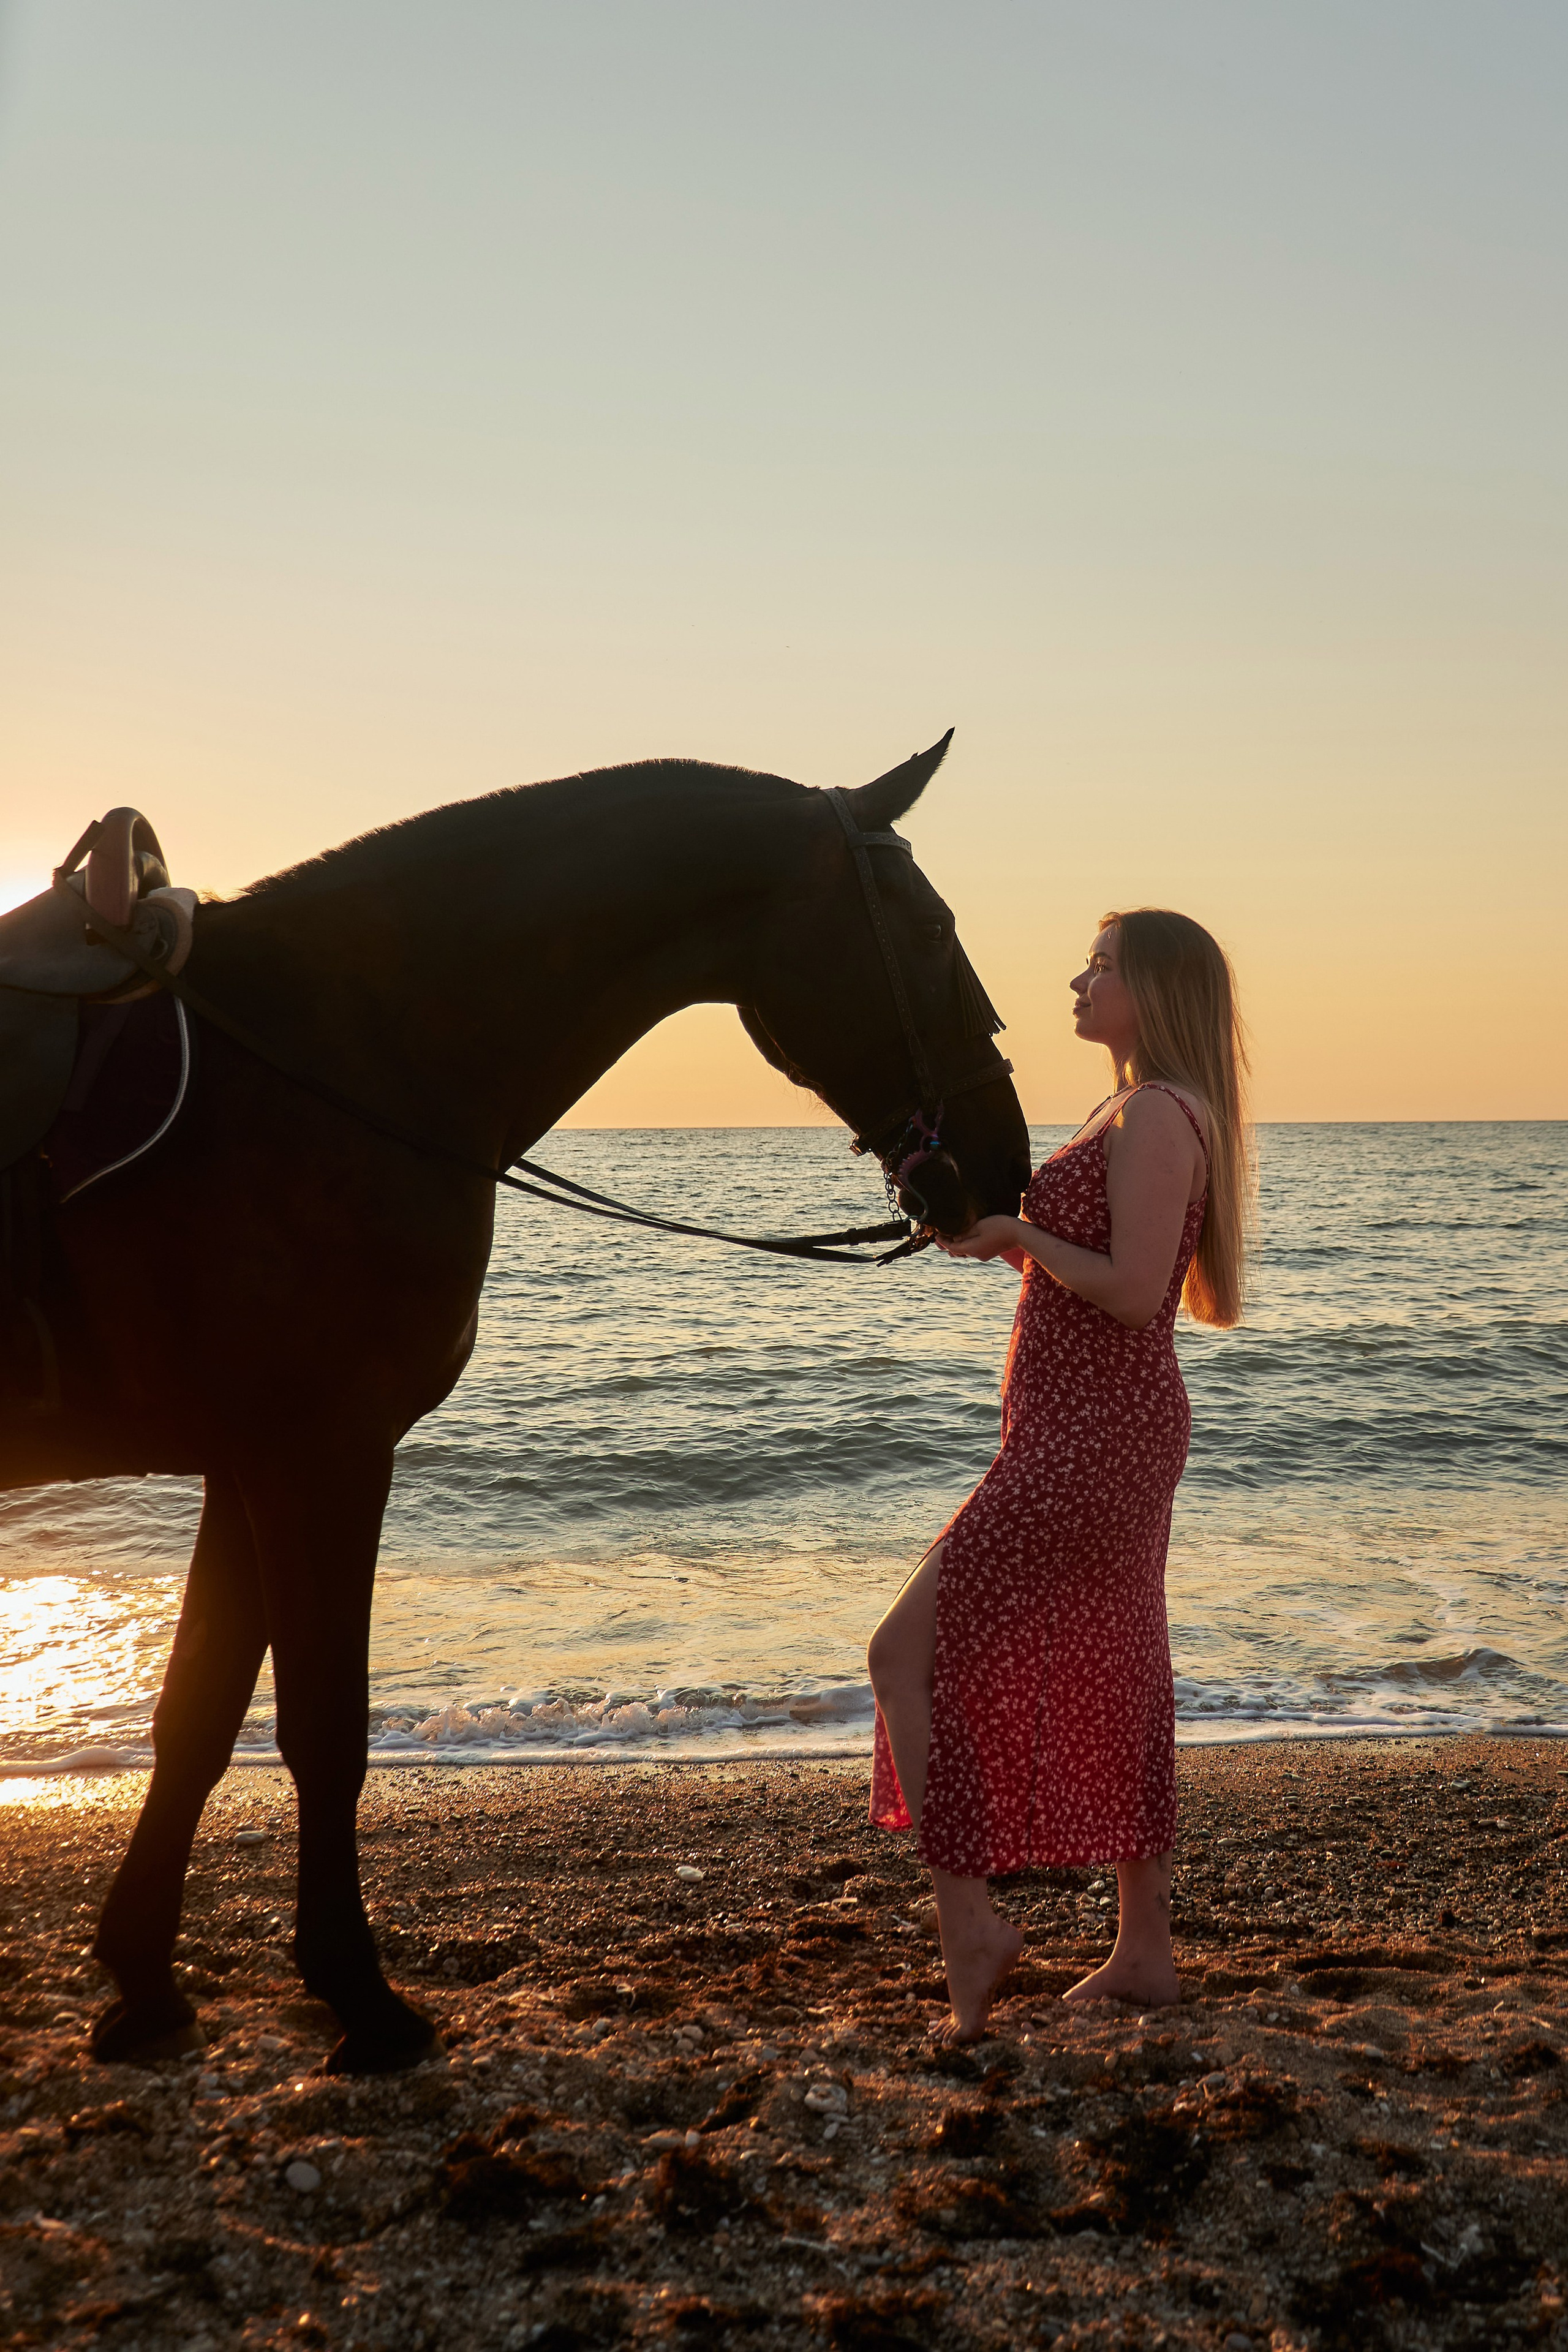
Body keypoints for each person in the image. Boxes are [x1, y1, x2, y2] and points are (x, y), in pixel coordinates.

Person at [867, 907, 1250, 2039]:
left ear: (1156, 992)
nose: (1077, 982)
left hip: (1093, 1438)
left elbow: (1135, 1293)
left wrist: (1021, 1241)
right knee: (1121, 1658)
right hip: (1090, 1431)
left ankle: (973, 1929)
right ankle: (1143, 1953)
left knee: (903, 1656)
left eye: (1101, 968)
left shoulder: (1158, 1116)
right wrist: (999, 1234)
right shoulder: (1138, 1109)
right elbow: (1108, 1280)